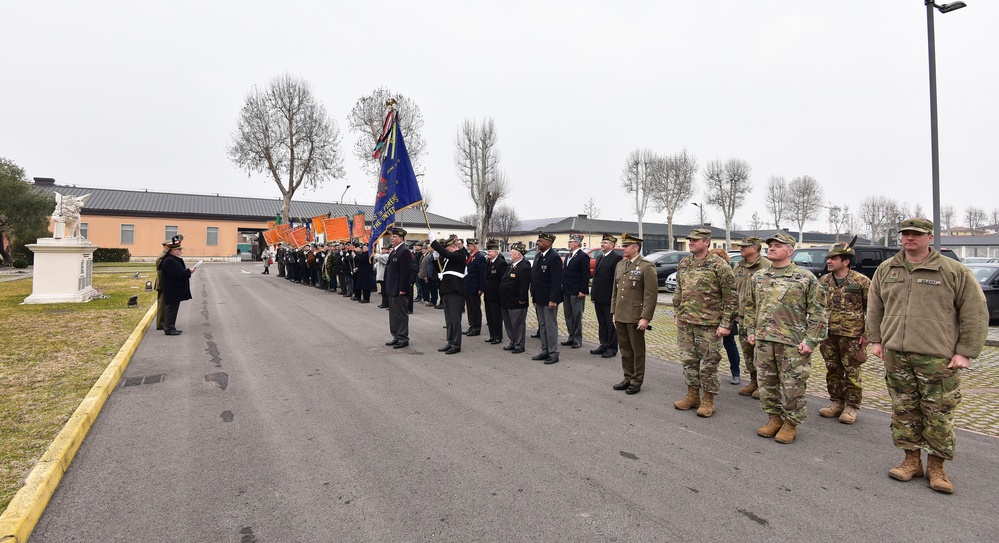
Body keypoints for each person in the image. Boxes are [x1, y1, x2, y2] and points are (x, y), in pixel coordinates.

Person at [867, 218, 988, 493]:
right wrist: (876, 339)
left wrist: (965, 352)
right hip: (896, 353)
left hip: (937, 357)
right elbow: (875, 306)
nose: (910, 238)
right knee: (904, 410)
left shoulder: (951, 270)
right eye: (906, 234)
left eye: (916, 234)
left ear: (929, 237)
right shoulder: (887, 269)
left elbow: (975, 311)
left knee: (939, 414)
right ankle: (911, 461)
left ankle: (937, 467)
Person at [745, 232, 827, 444]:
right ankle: (774, 418)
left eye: (778, 245)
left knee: (793, 386)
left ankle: (791, 423)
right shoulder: (759, 277)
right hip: (764, 342)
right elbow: (750, 306)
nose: (771, 248)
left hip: (792, 343)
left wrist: (811, 341)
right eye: (770, 245)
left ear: (790, 251)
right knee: (766, 384)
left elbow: (819, 313)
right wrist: (750, 330)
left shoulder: (805, 278)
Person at [672, 230, 737, 417]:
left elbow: (731, 297)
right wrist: (678, 313)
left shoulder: (719, 265)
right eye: (689, 240)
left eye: (695, 240)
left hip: (710, 325)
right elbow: (679, 290)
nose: (691, 243)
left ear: (706, 242)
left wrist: (726, 324)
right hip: (686, 323)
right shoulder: (684, 263)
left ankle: (708, 399)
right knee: (688, 361)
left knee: (708, 364)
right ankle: (692, 395)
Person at [817, 240, 871, 425]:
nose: (829, 261)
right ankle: (837, 402)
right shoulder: (823, 281)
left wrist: (867, 335)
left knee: (852, 371)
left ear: (846, 261)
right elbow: (816, 307)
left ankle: (852, 406)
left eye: (834, 258)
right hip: (827, 334)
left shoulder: (861, 281)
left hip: (851, 335)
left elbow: (872, 310)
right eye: (829, 258)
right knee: (832, 369)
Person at [610, 233, 658, 394]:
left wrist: (646, 317)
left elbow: (650, 295)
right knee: (624, 349)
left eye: (626, 246)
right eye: (623, 246)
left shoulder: (646, 266)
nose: (623, 249)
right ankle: (628, 377)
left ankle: (637, 380)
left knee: (637, 350)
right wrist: (614, 312)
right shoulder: (620, 265)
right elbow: (615, 291)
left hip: (636, 315)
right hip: (621, 314)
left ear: (636, 247)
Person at [731, 236, 771, 398]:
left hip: (760, 319)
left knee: (762, 353)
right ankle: (754, 381)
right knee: (747, 351)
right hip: (742, 317)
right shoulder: (739, 266)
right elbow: (733, 290)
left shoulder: (767, 266)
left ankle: (765, 385)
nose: (741, 248)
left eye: (744, 246)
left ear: (755, 248)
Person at [429, 234, 467, 355]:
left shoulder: (460, 255)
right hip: (447, 289)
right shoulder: (449, 258)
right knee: (449, 317)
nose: (446, 250)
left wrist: (434, 242)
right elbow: (440, 269)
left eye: (447, 248)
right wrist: (435, 258)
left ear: (453, 246)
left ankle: (456, 344)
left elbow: (448, 255)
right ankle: (450, 341)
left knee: (455, 318)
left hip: (455, 290)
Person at [710, 247, 742, 386]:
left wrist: (734, 313)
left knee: (730, 345)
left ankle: (736, 373)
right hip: (711, 314)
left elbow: (733, 295)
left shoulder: (729, 271)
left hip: (726, 314)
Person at [531, 232, 564, 364]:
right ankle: (545, 350)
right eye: (538, 241)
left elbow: (557, 281)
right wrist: (533, 296)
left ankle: (553, 352)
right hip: (539, 297)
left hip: (549, 298)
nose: (538, 243)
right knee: (543, 325)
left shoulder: (554, 257)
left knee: (550, 326)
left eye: (540, 241)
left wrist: (554, 299)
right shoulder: (539, 256)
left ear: (548, 243)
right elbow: (535, 278)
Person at [589, 234, 622, 358]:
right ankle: (603, 344)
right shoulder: (599, 258)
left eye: (605, 243)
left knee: (610, 323)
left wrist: (615, 297)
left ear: (612, 245)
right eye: (602, 242)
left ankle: (612, 347)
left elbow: (616, 279)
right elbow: (596, 278)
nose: (602, 244)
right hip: (598, 296)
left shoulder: (616, 258)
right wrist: (593, 294)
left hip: (608, 297)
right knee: (601, 322)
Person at [158, 235, 195, 336]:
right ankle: (169, 328)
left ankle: (171, 327)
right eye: (179, 249)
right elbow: (177, 273)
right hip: (172, 289)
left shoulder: (173, 259)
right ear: (174, 251)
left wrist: (187, 271)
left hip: (174, 290)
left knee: (173, 309)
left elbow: (179, 271)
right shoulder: (169, 261)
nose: (181, 251)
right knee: (171, 309)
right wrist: (189, 271)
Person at [500, 242, 532, 354]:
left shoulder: (524, 267)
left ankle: (519, 345)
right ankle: (512, 342)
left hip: (516, 301)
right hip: (506, 300)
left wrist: (522, 299)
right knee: (508, 324)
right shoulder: (512, 266)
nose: (510, 254)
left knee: (517, 324)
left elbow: (524, 286)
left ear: (519, 255)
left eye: (512, 253)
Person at [560, 233, 591, 349]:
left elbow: (586, 274)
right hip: (567, 290)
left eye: (571, 242)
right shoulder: (569, 256)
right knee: (568, 315)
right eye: (569, 242)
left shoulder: (583, 256)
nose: (569, 243)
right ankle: (571, 336)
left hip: (577, 290)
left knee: (577, 315)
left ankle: (577, 339)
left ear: (577, 243)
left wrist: (583, 290)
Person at [384, 228, 413, 349]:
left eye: (394, 237)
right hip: (392, 287)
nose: (392, 238)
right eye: (392, 237)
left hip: (399, 289)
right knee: (394, 314)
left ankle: (403, 337)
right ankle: (396, 335)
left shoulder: (404, 251)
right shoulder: (395, 251)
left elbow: (406, 272)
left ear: (401, 239)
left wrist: (403, 288)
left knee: (401, 314)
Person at [482, 240, 508, 344]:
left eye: (490, 251)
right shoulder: (489, 262)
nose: (488, 253)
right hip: (488, 294)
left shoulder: (501, 263)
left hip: (496, 295)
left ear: (496, 252)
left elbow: (503, 280)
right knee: (489, 316)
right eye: (488, 251)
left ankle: (498, 336)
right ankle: (492, 335)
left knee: (496, 316)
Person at [463, 238, 487, 336]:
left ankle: (476, 328)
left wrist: (481, 288)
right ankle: (471, 325)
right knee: (470, 308)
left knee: (475, 308)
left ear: (474, 246)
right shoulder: (470, 256)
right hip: (468, 286)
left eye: (469, 245)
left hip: (475, 287)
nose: (467, 247)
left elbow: (482, 274)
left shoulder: (480, 257)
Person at [154, 239, 170, 330]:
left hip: (163, 282)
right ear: (165, 246)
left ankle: (162, 322)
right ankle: (160, 323)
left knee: (164, 303)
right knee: (162, 304)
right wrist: (162, 285)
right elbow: (160, 272)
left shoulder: (165, 256)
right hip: (162, 283)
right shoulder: (162, 257)